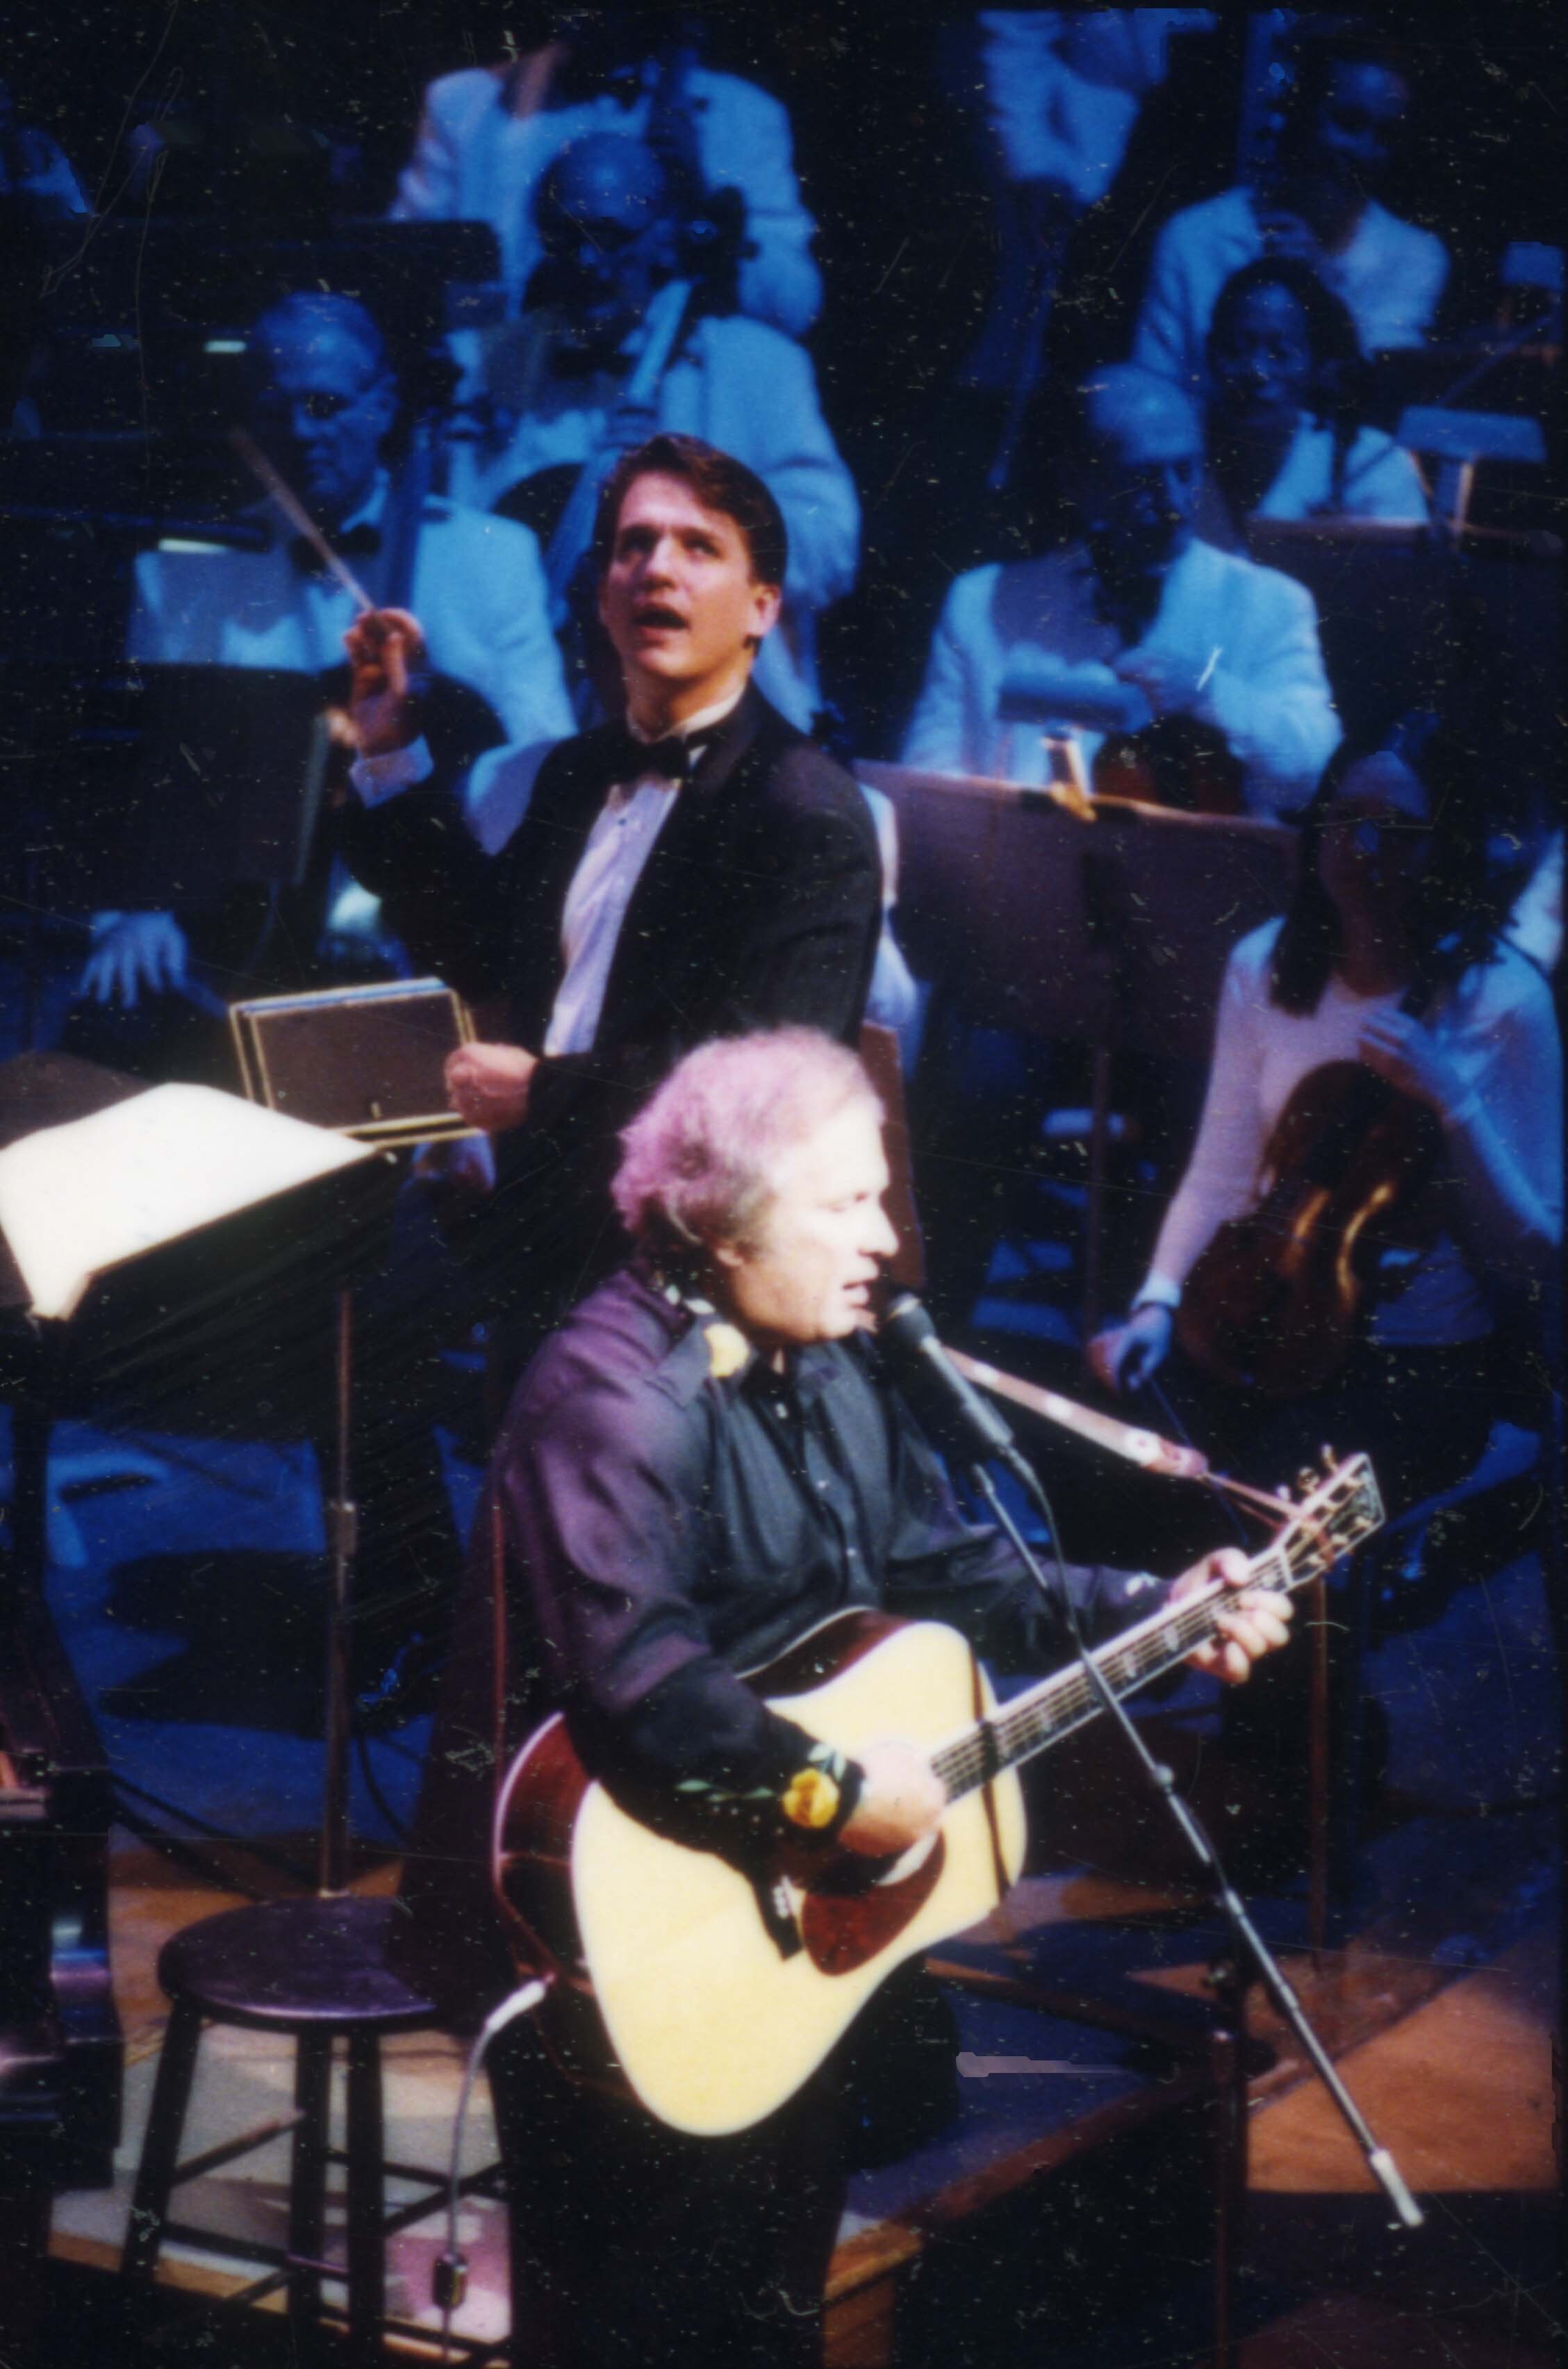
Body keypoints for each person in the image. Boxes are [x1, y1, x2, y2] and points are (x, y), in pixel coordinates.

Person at [406, 1026, 1291, 2368]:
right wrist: (828, 1793)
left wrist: (1155, 1605)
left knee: (769, 2307)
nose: (884, 1235)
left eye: (880, 1194)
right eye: (844, 1202)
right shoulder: (612, 1395)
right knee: (629, 2324)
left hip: (769, 1937)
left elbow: (953, 1569)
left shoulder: (826, 1363)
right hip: (605, 1931)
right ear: (722, 1220)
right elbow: (646, 1685)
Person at [340, 431, 882, 1376]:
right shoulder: (576, 770)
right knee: (354, 1329)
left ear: (762, 607)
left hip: (691, 1256)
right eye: (634, 546)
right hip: (546, 1214)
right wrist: (389, 749)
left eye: (698, 546)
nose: (657, 570)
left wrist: (542, 1093)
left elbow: (760, 1096)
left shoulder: (805, 811)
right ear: (601, 596)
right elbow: (477, 947)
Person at [1089, 714, 1562, 1520]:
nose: (1362, 849)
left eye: (1397, 831)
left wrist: (1453, 1100)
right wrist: (1158, 1301)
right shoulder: (1264, 964)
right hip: (1259, 1316)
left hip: (1413, 1361)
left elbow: (1536, 1255)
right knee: (1121, 1477)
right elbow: (1220, 1169)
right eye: (1346, 819)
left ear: (1444, 848)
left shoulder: (1506, 1001)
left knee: (1250, 1516)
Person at [81, 293, 571, 1034]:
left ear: (383, 405)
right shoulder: (181, 575)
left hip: (430, 928)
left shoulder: (492, 558)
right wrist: (140, 909)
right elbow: (151, 784)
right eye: (276, 409)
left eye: (326, 405)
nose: (302, 432)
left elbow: (541, 756)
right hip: (242, 942)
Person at [449, 130, 858, 732]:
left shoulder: (759, 366)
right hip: (527, 699)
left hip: (701, 706)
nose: (588, 263)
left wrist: (693, 514)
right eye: (566, 238)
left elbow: (832, 546)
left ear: (664, 236)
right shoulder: (486, 363)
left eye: (611, 238)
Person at [902, 364, 1339, 817]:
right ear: (1079, 483)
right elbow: (928, 780)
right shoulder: (980, 601)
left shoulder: (1271, 603)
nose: (1173, 503)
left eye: (1185, 471)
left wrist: (1208, 692)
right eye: (1144, 479)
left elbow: (1310, 772)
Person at [390, 6, 822, 337]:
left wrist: (702, 205)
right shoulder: (464, 107)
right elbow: (401, 290)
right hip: (508, 391)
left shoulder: (741, 117)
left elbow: (794, 306)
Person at [1132, 29, 1448, 390]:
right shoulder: (1195, 236)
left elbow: (1384, 391)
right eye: (1348, 123)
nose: (1364, 151)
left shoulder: (1415, 255)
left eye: (1386, 135)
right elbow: (1151, 387)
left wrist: (1327, 291)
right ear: (1300, 115)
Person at [1198, 256, 1427, 546]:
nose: (1257, 372)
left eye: (1281, 353)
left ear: (1317, 364)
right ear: (1210, 353)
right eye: (1235, 349)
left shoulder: (1371, 462)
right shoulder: (1174, 456)